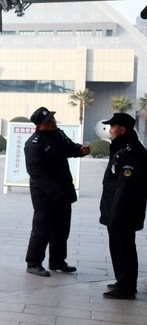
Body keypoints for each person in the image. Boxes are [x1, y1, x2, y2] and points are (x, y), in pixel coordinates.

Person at [24, 107, 90, 277]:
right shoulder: (33, 144)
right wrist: (55, 192)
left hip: (63, 191)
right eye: (48, 121)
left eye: (52, 118)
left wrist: (80, 150)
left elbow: (69, 147)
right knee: (42, 229)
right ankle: (33, 263)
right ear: (39, 126)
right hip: (44, 195)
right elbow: (36, 174)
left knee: (62, 229)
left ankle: (58, 261)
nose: (53, 122)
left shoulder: (58, 134)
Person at [99, 112, 147, 299]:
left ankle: (126, 287)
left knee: (123, 247)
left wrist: (115, 214)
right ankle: (123, 280)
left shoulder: (132, 151)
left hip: (123, 211)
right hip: (116, 208)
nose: (110, 129)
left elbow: (126, 187)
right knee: (119, 246)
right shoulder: (123, 147)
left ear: (123, 129)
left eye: (113, 126)